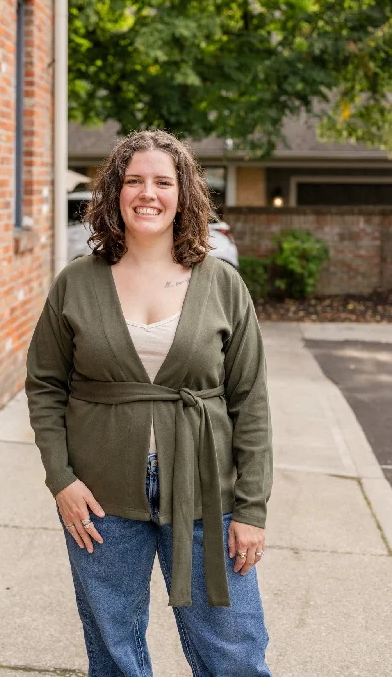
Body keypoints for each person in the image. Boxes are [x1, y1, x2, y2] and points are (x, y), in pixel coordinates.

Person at [25, 129, 273, 677]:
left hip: (209, 490)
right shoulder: (76, 283)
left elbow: (250, 400)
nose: (148, 193)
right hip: (100, 496)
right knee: (114, 653)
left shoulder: (223, 284)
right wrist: (61, 479)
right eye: (134, 180)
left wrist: (251, 509)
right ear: (115, 191)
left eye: (163, 181)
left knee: (233, 654)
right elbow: (45, 384)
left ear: (183, 194)